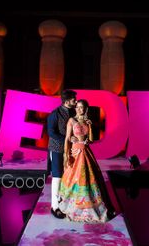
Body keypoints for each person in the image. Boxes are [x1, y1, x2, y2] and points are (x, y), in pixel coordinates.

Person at [58, 99, 115, 223]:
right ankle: (73, 204)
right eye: (77, 107)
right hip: (75, 152)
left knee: (88, 178)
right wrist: (66, 154)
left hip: (86, 152)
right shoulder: (71, 121)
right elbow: (67, 139)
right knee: (74, 177)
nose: (79, 109)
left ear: (86, 109)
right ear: (75, 108)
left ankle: (89, 205)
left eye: (82, 107)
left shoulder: (88, 122)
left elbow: (90, 140)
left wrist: (90, 126)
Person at [46, 89, 77, 219]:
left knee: (69, 176)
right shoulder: (55, 114)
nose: (75, 101)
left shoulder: (73, 112)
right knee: (57, 177)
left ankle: (65, 203)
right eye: (73, 99)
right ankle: (55, 207)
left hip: (70, 148)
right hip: (57, 148)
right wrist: (67, 139)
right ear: (67, 101)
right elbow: (51, 132)